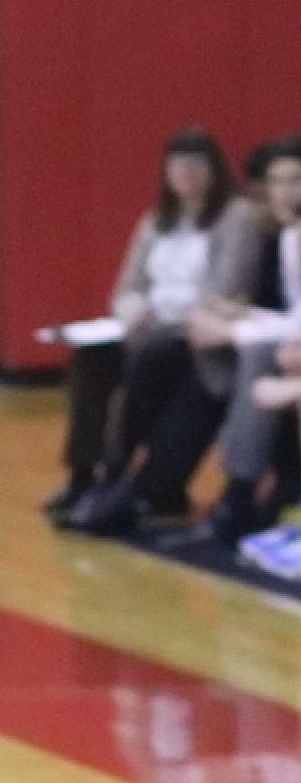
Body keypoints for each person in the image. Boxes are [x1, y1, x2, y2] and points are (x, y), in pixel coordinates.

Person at [64, 127, 266, 535]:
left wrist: (168, 318)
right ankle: (82, 474)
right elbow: (127, 287)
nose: (185, 174)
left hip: (193, 339)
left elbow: (226, 290)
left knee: (150, 354)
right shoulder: (155, 221)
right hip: (148, 330)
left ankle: (118, 468)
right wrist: (130, 309)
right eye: (177, 166)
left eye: (195, 165)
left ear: (214, 170)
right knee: (90, 359)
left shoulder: (236, 218)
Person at [187, 136, 301, 543]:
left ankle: (240, 494)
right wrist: (239, 317)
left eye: (297, 180)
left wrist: (236, 330)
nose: (289, 192)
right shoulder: (290, 238)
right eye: (278, 182)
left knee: (257, 355)